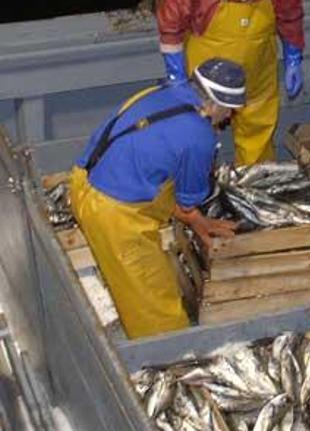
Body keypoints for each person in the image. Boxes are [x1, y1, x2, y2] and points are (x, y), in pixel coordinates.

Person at [69, 58, 246, 339]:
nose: (228, 118)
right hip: (113, 215)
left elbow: (153, 157)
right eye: (230, 111)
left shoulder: (157, 92)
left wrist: (198, 222)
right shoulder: (198, 135)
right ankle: (171, 364)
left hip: (82, 182)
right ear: (216, 104)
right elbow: (188, 200)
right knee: (156, 307)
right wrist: (194, 213)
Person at [157, 0, 305, 165]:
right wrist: (177, 78)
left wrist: (293, 58)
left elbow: (290, 15)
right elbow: (170, 28)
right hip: (207, 79)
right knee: (198, 130)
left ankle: (256, 185)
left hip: (258, 71)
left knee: (259, 130)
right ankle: (197, 188)